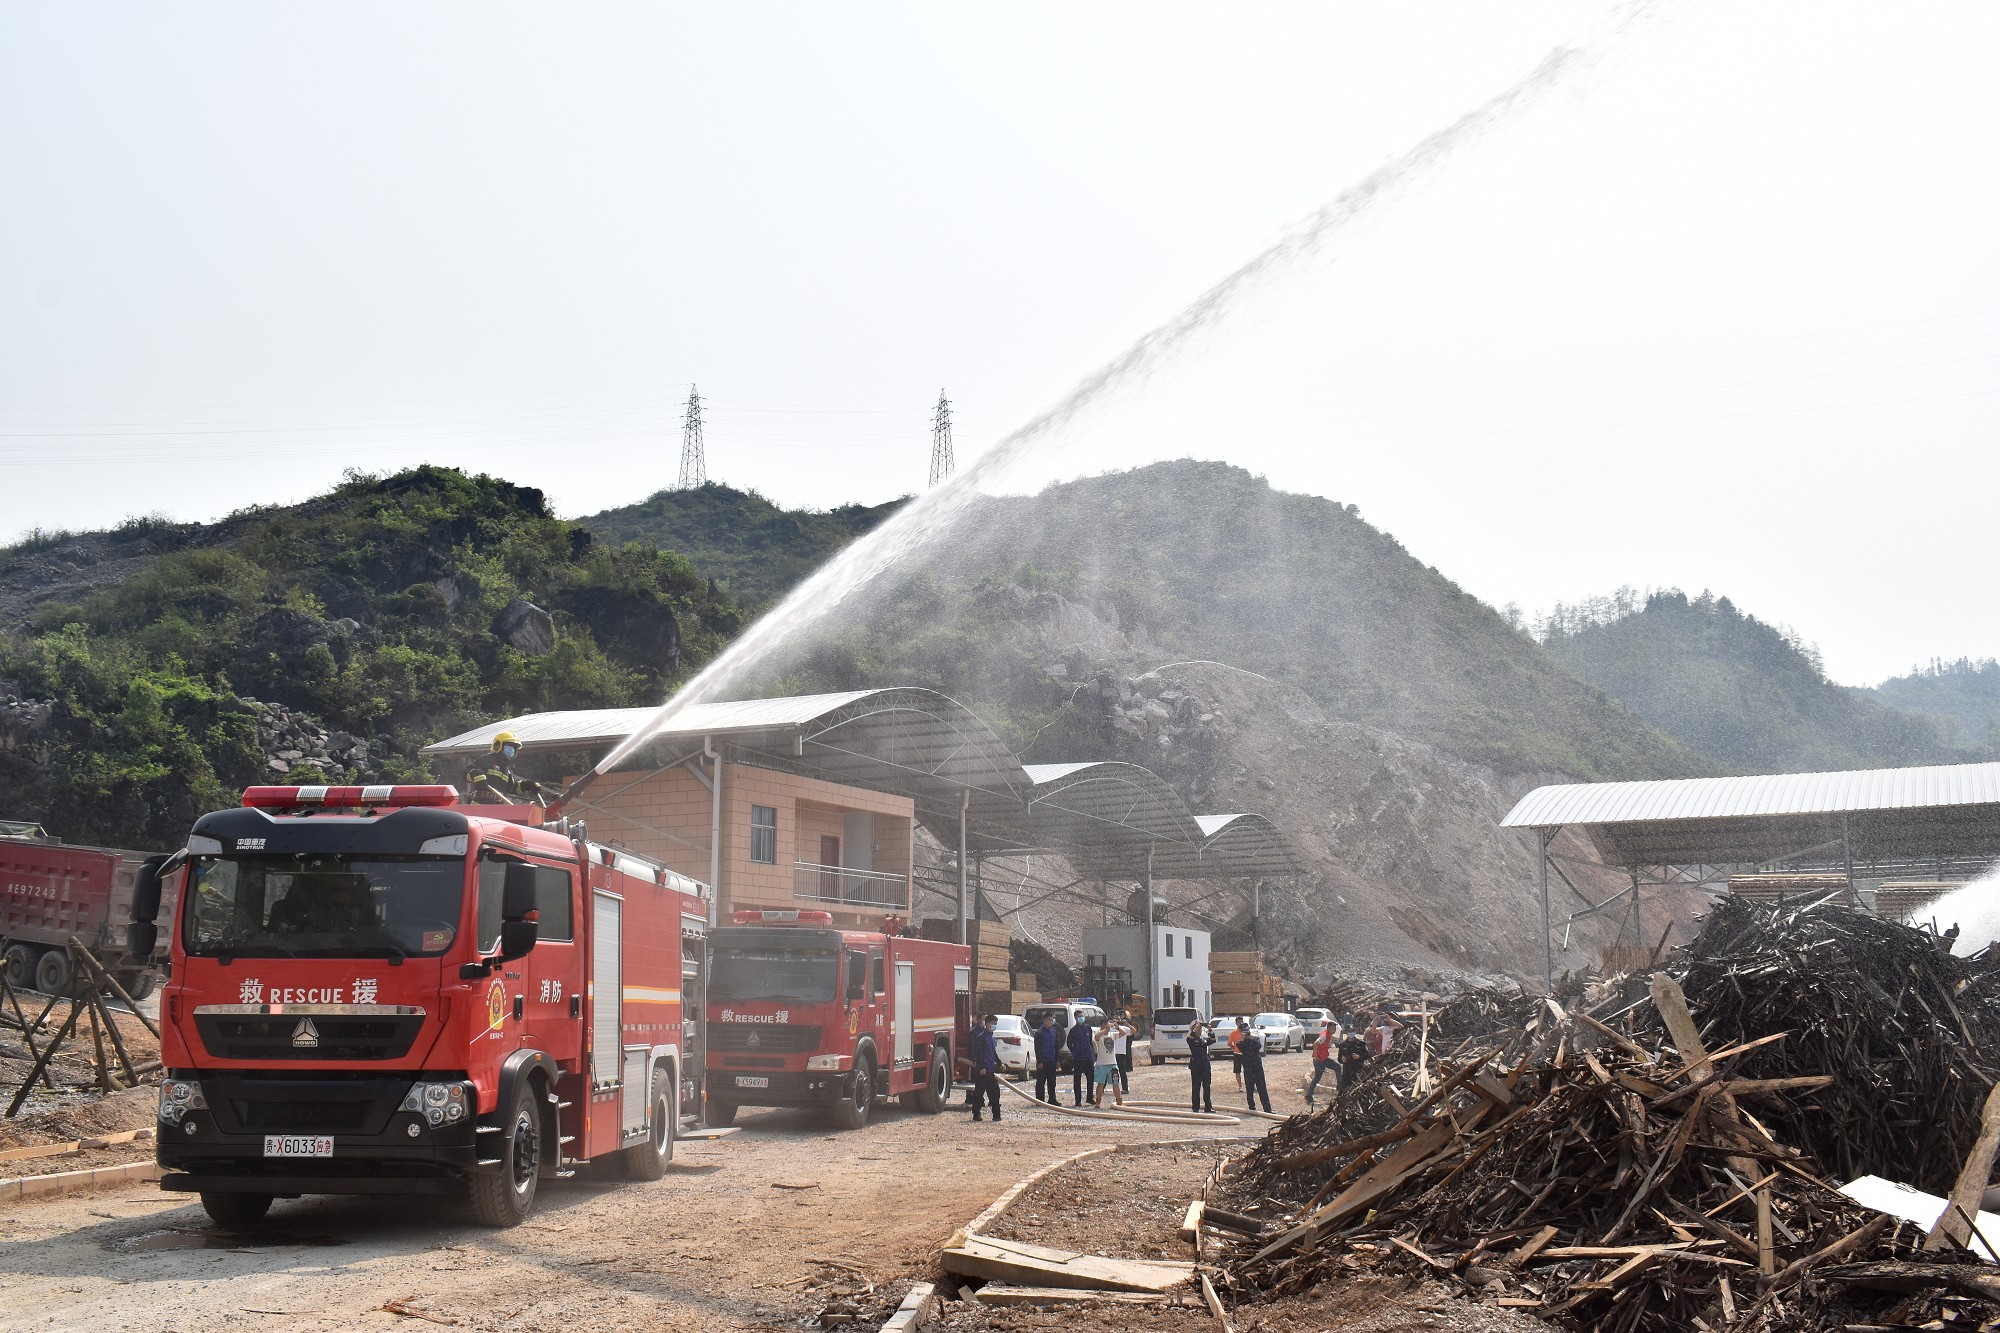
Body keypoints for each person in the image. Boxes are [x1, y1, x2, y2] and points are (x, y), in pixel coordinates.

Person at [466, 731, 552, 803]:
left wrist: (527, 785)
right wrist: (477, 775)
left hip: (498, 808)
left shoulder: (507, 769)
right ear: (498, 745)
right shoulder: (487, 759)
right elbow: (467, 773)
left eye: (514, 747)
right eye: (509, 746)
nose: (512, 750)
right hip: (480, 805)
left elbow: (512, 788)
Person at [968, 1013, 1001, 1122]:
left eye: (995, 1023)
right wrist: (981, 1067)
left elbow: (993, 1053)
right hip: (983, 1071)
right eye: (993, 1023)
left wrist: (999, 1063)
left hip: (990, 1070)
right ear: (987, 1024)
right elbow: (978, 1054)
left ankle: (996, 1115)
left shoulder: (991, 1037)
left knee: (995, 1093)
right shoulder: (981, 1037)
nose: (994, 1025)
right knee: (979, 1094)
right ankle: (976, 1114)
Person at [1240, 1022, 1272, 1113]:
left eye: (1246, 1031)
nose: (1245, 1033)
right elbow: (1241, 1048)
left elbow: (1259, 1046)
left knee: (1262, 1088)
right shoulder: (1240, 1042)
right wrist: (1243, 1039)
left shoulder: (1255, 1039)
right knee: (1249, 1089)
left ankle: (1267, 1108)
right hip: (1248, 1068)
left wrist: (1251, 1038)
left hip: (1257, 1067)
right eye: (1243, 1031)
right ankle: (1251, 1108)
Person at [1032, 1013, 1063, 1104]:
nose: (1050, 1022)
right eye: (1049, 1020)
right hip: (1043, 1061)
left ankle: (1052, 1099)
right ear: (1044, 1020)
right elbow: (1037, 1048)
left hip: (1052, 1060)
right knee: (1041, 1081)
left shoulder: (1054, 1031)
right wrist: (1039, 1061)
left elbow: (1056, 1046)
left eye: (1052, 1020)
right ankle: (1040, 1100)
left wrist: (1057, 1060)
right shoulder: (1039, 1033)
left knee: (1052, 1082)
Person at [1067, 1013, 1097, 1108]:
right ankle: (1078, 1100)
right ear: (1075, 1018)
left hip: (1088, 1057)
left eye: (1082, 1016)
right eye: (1079, 1016)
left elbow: (1090, 1041)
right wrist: (1074, 1052)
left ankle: (1090, 1097)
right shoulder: (1073, 1030)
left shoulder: (1088, 1028)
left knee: (1090, 1078)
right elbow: (1069, 1043)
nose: (1081, 1018)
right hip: (1078, 1058)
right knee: (1077, 1079)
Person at [1092, 1023, 1125, 1107]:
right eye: (1106, 1026)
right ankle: (1098, 1102)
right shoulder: (1099, 1035)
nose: (1108, 1028)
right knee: (1101, 1084)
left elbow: (1123, 1033)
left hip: (1112, 1064)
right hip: (1101, 1064)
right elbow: (1096, 1037)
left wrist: (1117, 1027)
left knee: (1115, 1083)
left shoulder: (1112, 1035)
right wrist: (1104, 1030)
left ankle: (1119, 1101)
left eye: (1108, 1026)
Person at [1304, 1023, 1336, 1108]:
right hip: (1319, 1060)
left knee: (1337, 1067)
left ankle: (1339, 1086)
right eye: (1333, 1028)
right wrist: (1316, 1056)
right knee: (1317, 1078)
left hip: (1324, 1059)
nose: (1334, 1030)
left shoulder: (1328, 1035)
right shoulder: (1325, 1035)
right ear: (1329, 1028)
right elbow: (1315, 1044)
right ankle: (1309, 1095)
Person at [1186, 1021, 1214, 1114]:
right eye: (1198, 1029)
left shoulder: (1203, 1039)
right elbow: (1189, 1038)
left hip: (1205, 1065)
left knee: (1207, 1086)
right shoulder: (1191, 1039)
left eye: (1201, 1029)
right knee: (1196, 1086)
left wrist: (1210, 1030)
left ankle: (1208, 1107)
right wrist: (1195, 1029)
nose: (1200, 1030)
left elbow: (1213, 1040)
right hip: (1196, 1065)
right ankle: (1195, 1107)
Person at [1336, 1026, 1369, 1093]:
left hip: (1358, 1070)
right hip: (1347, 1071)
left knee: (1358, 1090)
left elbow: (1367, 1055)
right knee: (1344, 1090)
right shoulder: (1342, 1045)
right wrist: (1342, 1060)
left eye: (1353, 1031)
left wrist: (1359, 1056)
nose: (1351, 1033)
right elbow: (1339, 1059)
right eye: (1350, 1031)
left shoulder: (1361, 1043)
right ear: (1346, 1032)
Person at [1110, 1011, 1136, 1093]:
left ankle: (1125, 1088)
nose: (1115, 1021)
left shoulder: (1124, 1028)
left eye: (1117, 1020)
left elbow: (1133, 1031)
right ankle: (1102, 1088)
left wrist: (1127, 1024)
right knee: (1109, 1071)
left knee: (1122, 1071)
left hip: (1121, 1052)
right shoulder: (1110, 1029)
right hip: (1111, 1053)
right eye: (1114, 1020)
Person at [1228, 1017, 1248, 1090]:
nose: (1240, 1023)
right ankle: (1240, 1086)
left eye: (1241, 1021)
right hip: (1237, 1054)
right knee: (1237, 1071)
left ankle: (1249, 1085)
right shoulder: (1233, 1033)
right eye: (1239, 1022)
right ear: (1236, 1023)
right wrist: (1235, 1048)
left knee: (1248, 1070)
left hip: (1246, 1054)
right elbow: (1229, 1043)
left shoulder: (1246, 1032)